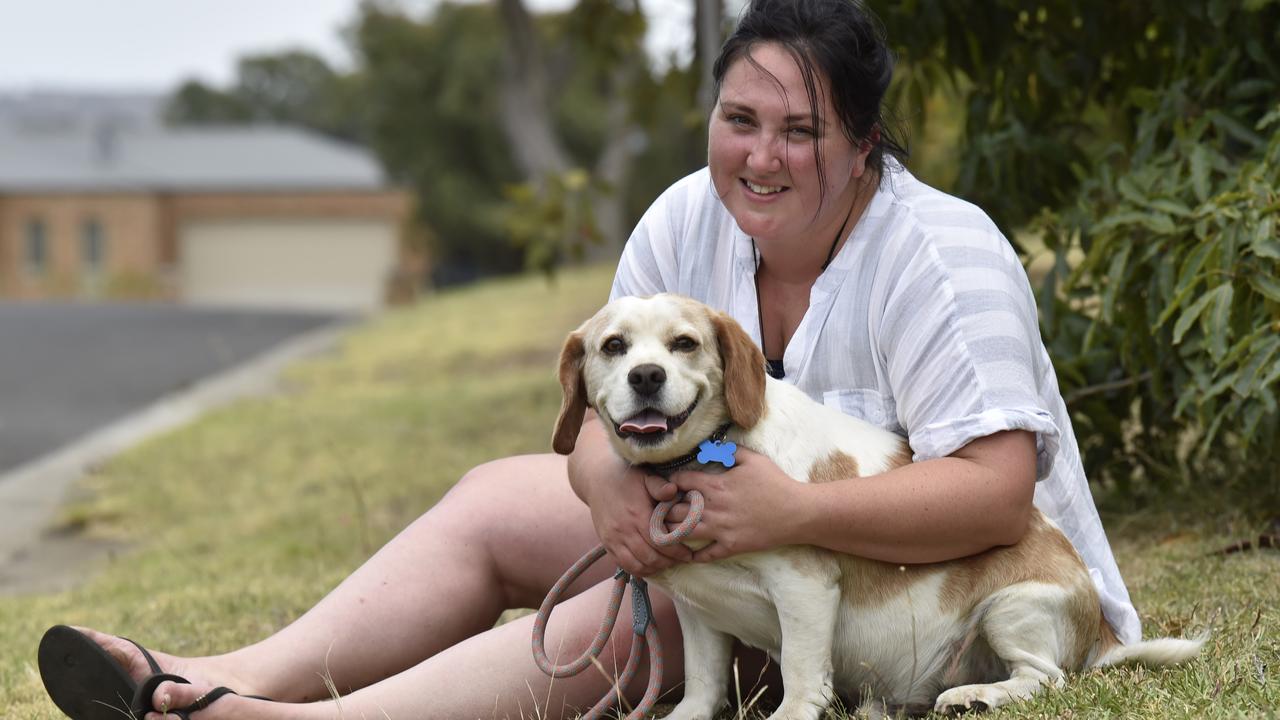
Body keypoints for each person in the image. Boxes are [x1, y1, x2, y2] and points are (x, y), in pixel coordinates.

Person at [42, 1, 1141, 718]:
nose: (759, 156)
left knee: (673, 588)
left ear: (862, 146)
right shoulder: (682, 221)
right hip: (732, 537)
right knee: (491, 498)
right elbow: (604, 410)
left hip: (930, 606)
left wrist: (780, 516)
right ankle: (210, 682)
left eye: (800, 131)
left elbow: (997, 496)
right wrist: (605, 482)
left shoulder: (940, 258)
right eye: (737, 117)